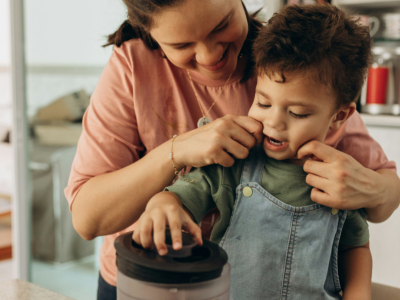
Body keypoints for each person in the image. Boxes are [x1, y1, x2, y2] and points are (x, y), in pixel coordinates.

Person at [64, 0, 399, 298]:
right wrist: (176, 156)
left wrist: (371, 189)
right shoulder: (132, 64)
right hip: (150, 282)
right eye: (182, 44)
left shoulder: (293, 58)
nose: (210, 56)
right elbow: (88, 219)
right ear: (152, 36)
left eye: (221, 26)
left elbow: (368, 222)